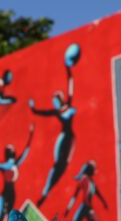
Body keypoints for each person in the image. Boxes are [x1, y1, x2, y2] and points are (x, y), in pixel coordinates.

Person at [31, 44, 79, 207]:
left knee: (62, 165)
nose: (55, 102)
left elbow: (70, 83)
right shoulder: (58, 112)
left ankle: (47, 190)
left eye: (56, 100)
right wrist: (33, 109)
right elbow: (43, 113)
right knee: (56, 165)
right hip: (63, 138)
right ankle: (46, 192)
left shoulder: (68, 105)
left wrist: (68, 68)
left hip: (69, 138)